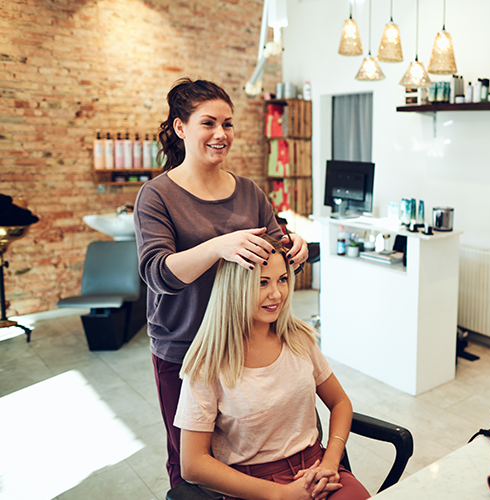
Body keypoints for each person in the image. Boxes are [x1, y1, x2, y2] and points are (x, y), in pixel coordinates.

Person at [134, 78, 308, 487]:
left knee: (246, 455)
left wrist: (295, 247)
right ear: (180, 127)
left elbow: (274, 254)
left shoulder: (249, 192)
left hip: (246, 343)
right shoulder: (157, 196)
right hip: (186, 348)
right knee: (191, 464)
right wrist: (218, 247)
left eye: (228, 124)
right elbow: (157, 273)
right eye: (208, 123)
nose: (221, 135)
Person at [175, 234, 369, 500]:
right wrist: (281, 494)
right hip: (252, 487)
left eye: (283, 280)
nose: (276, 294)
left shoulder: (298, 338)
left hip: (316, 470)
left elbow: (340, 403)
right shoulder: (207, 366)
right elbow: (192, 465)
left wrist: (330, 462)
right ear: (235, 287)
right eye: (262, 282)